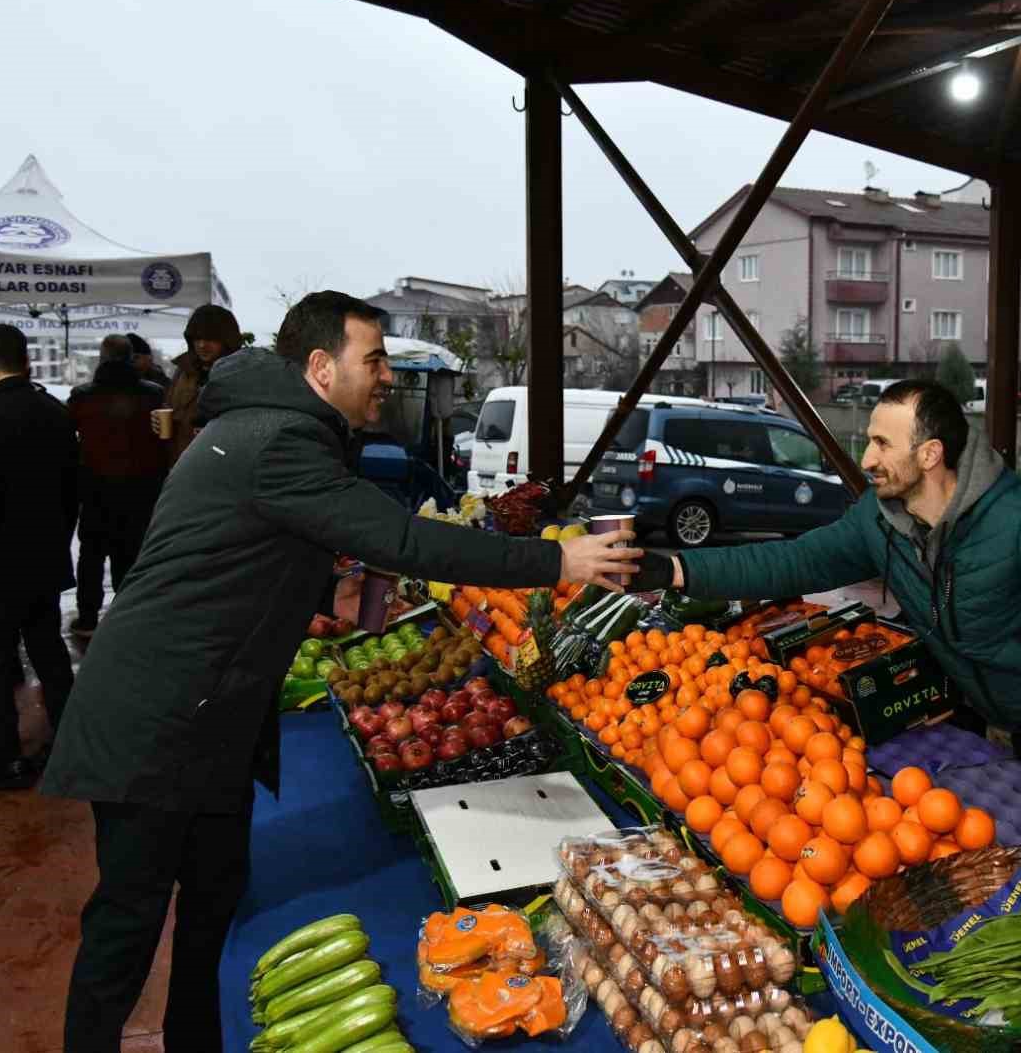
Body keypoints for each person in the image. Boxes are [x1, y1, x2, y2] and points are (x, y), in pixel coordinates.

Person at [42, 291, 641, 1053]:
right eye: (376, 359)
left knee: (213, 903)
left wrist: (338, 591)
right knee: (126, 926)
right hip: (156, 716)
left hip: (209, 715)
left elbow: (249, 549)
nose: (387, 375)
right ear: (321, 367)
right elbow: (404, 539)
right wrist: (558, 558)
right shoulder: (278, 439)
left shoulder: (263, 428)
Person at [638, 379, 1021, 747]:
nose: (866, 459)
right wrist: (676, 570)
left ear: (930, 454)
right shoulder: (878, 520)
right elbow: (793, 560)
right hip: (989, 718)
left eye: (883, 444)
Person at [0, 324, 79, 792]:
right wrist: (56, 541)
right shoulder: (55, 412)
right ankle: (66, 743)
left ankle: (8, 758)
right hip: (43, 559)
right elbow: (71, 493)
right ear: (26, 359)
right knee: (48, 651)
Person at [67, 334, 167, 636]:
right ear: (131, 358)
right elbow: (162, 440)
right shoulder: (153, 394)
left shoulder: (82, 396)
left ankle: (87, 617)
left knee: (91, 555)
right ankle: (127, 619)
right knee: (131, 554)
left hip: (95, 487)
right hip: (140, 489)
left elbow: (70, 439)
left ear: (102, 357)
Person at [158, 305, 241, 463]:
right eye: (197, 338)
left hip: (221, 466)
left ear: (227, 340)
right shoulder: (183, 371)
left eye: (210, 339)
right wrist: (160, 419)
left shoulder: (241, 373)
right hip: (180, 464)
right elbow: (170, 407)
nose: (202, 345)